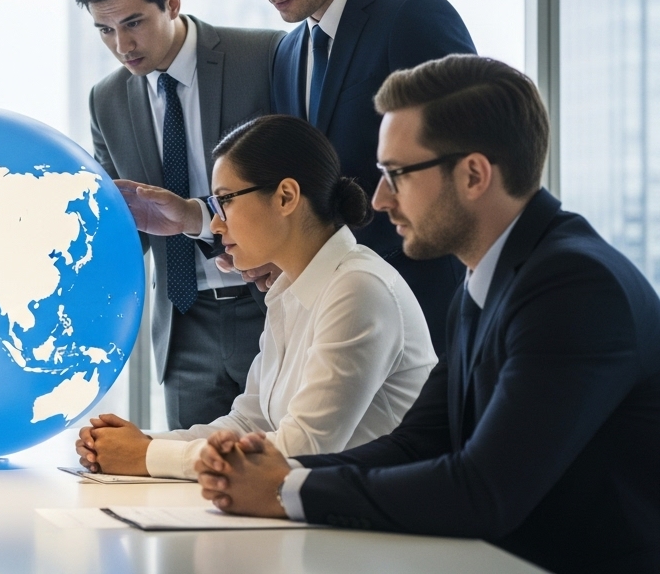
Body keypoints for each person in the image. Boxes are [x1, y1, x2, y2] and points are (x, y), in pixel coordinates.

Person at [193, 56, 660, 574]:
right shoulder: (487, 282)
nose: (380, 198)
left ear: (474, 175)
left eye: (397, 174)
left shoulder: (573, 286)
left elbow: (484, 489)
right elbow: (418, 443)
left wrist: (286, 487)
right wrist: (276, 472)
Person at [76, 115, 435, 478]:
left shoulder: (358, 288)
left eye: (224, 202)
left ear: (286, 197)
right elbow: (250, 422)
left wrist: (147, 456)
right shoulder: (288, 290)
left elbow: (302, 448)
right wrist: (135, 444)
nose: (215, 226)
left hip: (376, 526)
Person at [224, 0, 475, 354]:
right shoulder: (288, 53)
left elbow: (466, 164)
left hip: (424, 308)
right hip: (332, 318)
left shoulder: (413, 17)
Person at [79, 0, 282, 429]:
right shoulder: (106, 100)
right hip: (183, 328)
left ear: (172, 2)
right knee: (187, 488)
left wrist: (196, 213)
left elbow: (293, 182)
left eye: (133, 23)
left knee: (283, 468)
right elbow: (125, 226)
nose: (122, 46)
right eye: (104, 30)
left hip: (272, 307)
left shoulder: (262, 57)